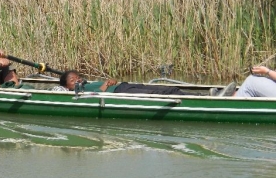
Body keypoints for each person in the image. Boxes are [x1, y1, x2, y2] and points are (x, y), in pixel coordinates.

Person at [52, 70, 231, 96]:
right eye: (73, 80)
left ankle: (204, 95)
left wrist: (111, 81)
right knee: (162, 94)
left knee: (168, 88)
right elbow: (97, 96)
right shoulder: (78, 93)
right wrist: (107, 85)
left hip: (124, 85)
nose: (77, 80)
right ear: (67, 85)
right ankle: (205, 98)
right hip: (120, 94)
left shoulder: (87, 83)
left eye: (78, 77)